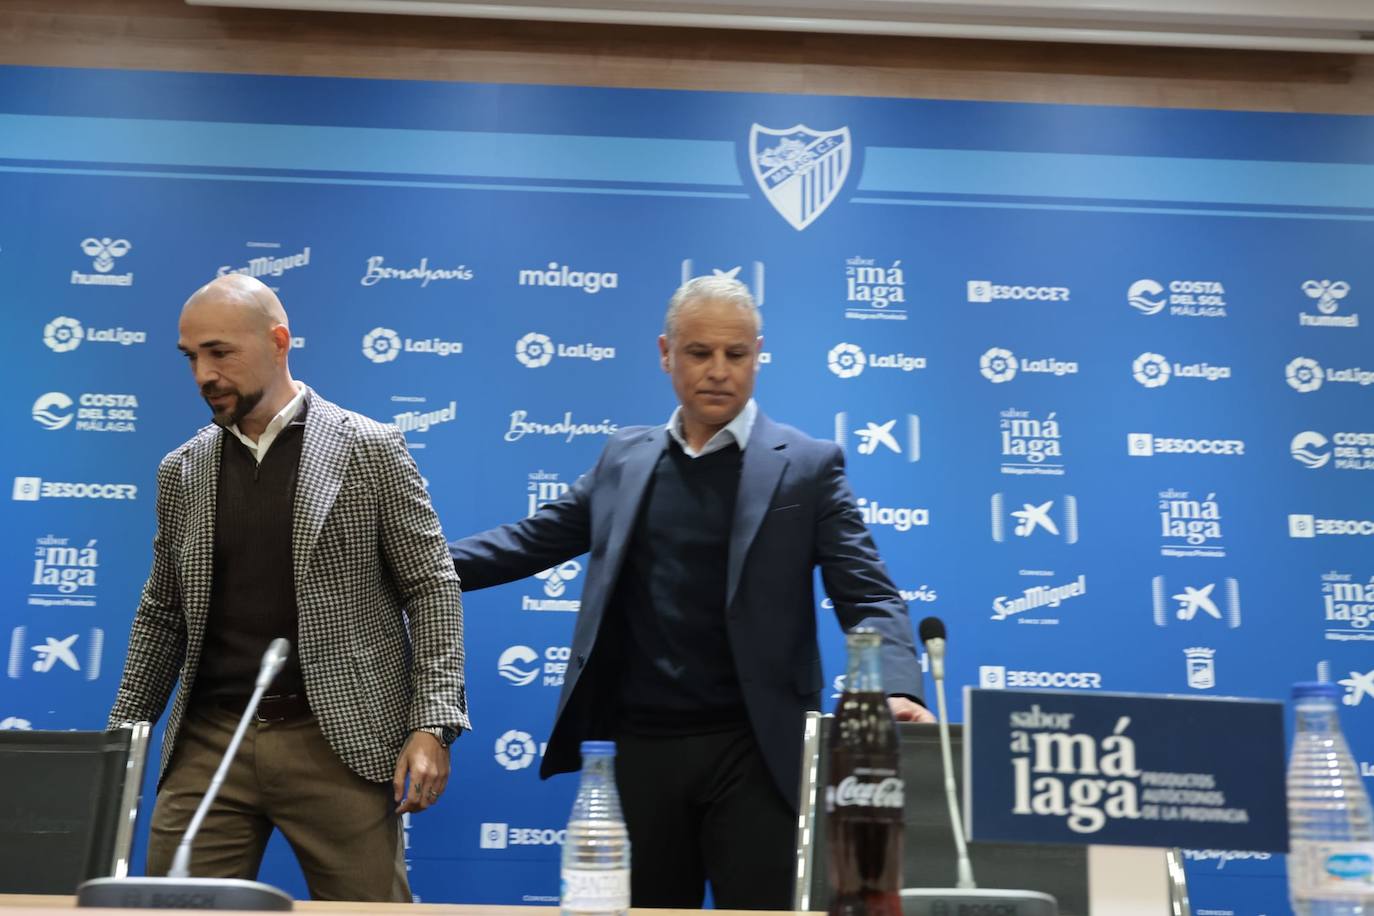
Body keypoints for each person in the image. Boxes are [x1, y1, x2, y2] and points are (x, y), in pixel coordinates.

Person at [449, 274, 931, 910]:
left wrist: (897, 684)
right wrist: (409, 568)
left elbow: (868, 593)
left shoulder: (808, 466)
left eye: (737, 354)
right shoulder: (624, 458)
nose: (719, 372)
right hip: (641, 747)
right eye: (700, 353)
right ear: (665, 353)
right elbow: (528, 542)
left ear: (758, 353)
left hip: (758, 751)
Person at [107, 274, 467, 901]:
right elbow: (163, 614)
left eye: (221, 353)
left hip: (339, 741)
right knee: (168, 911)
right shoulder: (181, 471)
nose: (203, 375)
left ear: (279, 342)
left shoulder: (370, 450)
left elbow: (431, 587)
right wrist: (121, 742)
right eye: (192, 357)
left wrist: (432, 723)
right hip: (208, 743)